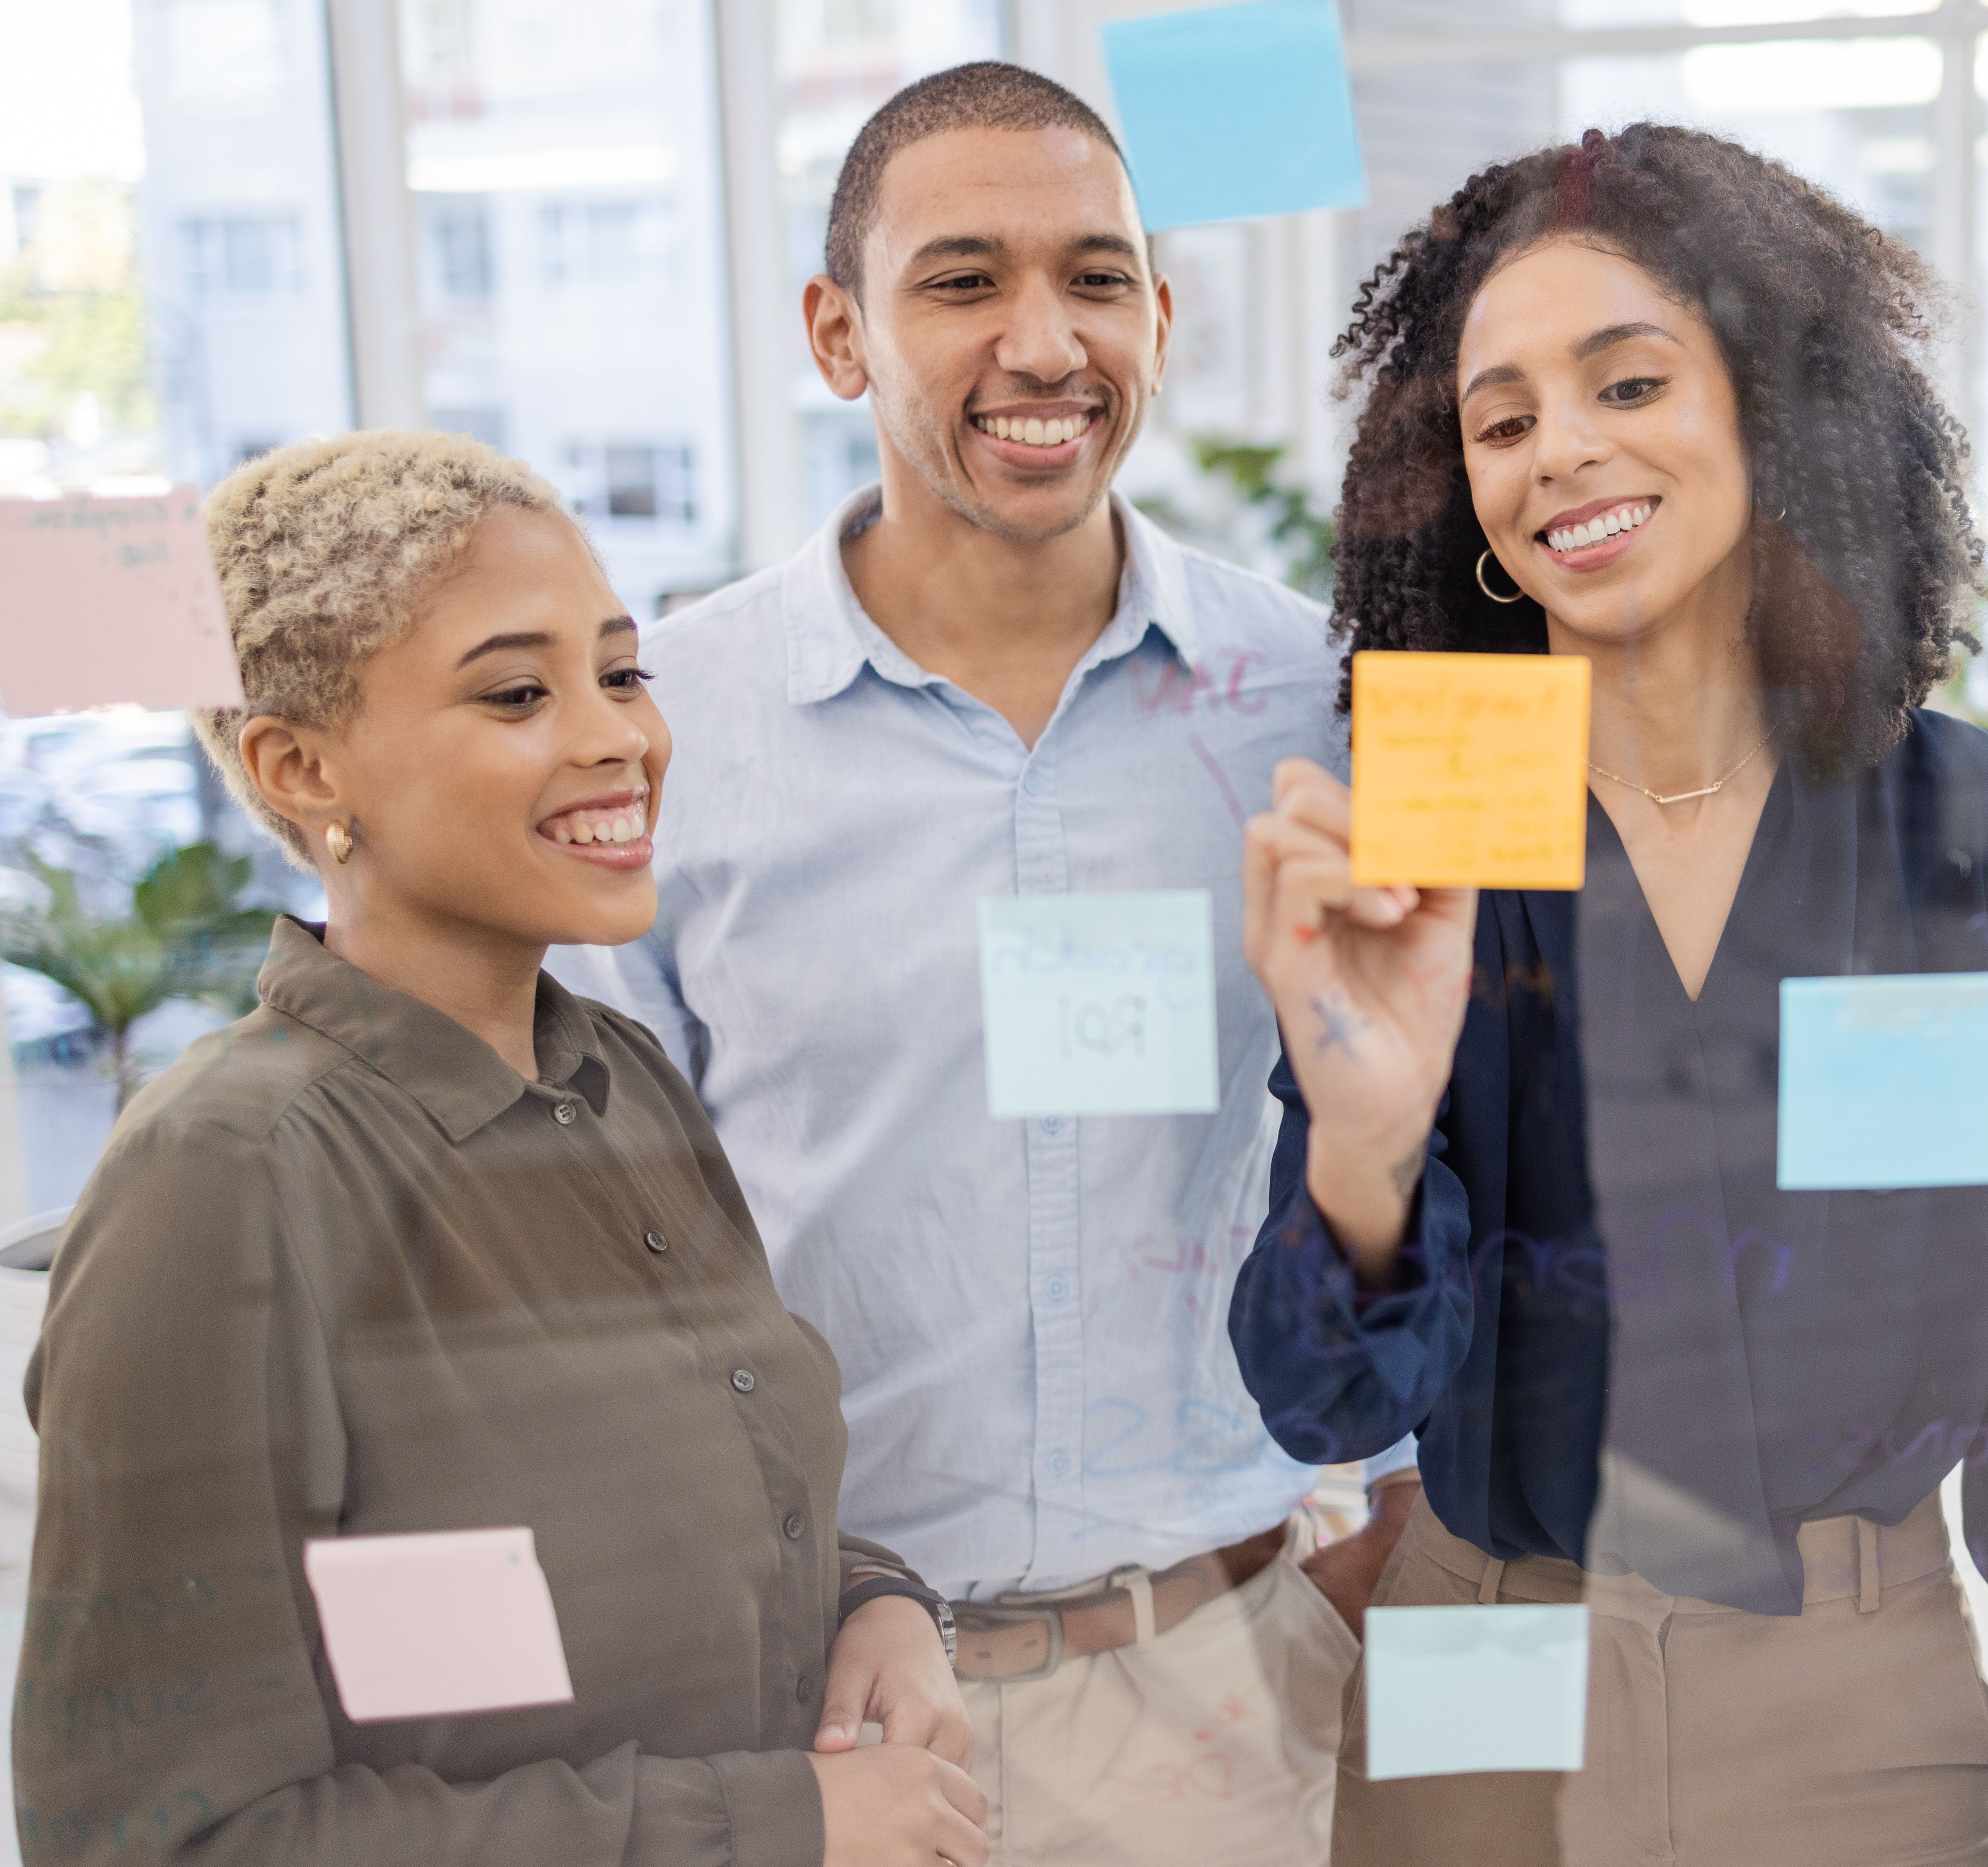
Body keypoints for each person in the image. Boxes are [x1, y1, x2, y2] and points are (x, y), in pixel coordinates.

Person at [1226, 124, 1988, 1867]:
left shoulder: (1971, 822)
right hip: (1478, 1679)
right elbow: (1319, 1408)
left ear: (1774, 411)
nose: (1560, 449)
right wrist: (1361, 1149)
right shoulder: (1430, 818)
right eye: (1501, 421)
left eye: (1626, 381)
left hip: (1850, 1699)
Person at [548, 61, 1416, 1866]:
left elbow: (1429, 1127)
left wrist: (1390, 1559)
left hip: (1240, 1696)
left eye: (1096, 279)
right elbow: (604, 1250)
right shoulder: (666, 735)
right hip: (828, 1719)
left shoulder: (1322, 707)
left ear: (1161, 320)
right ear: (838, 333)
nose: (1043, 342)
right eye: (962, 282)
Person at [12, 430, 981, 1866]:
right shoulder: (225, 1178)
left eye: (623, 672)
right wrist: (775, 1823)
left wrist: (878, 1601)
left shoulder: (619, 1077)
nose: (617, 737)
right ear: (300, 767)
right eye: (520, 692)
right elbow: (162, 1837)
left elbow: (694, 1509)